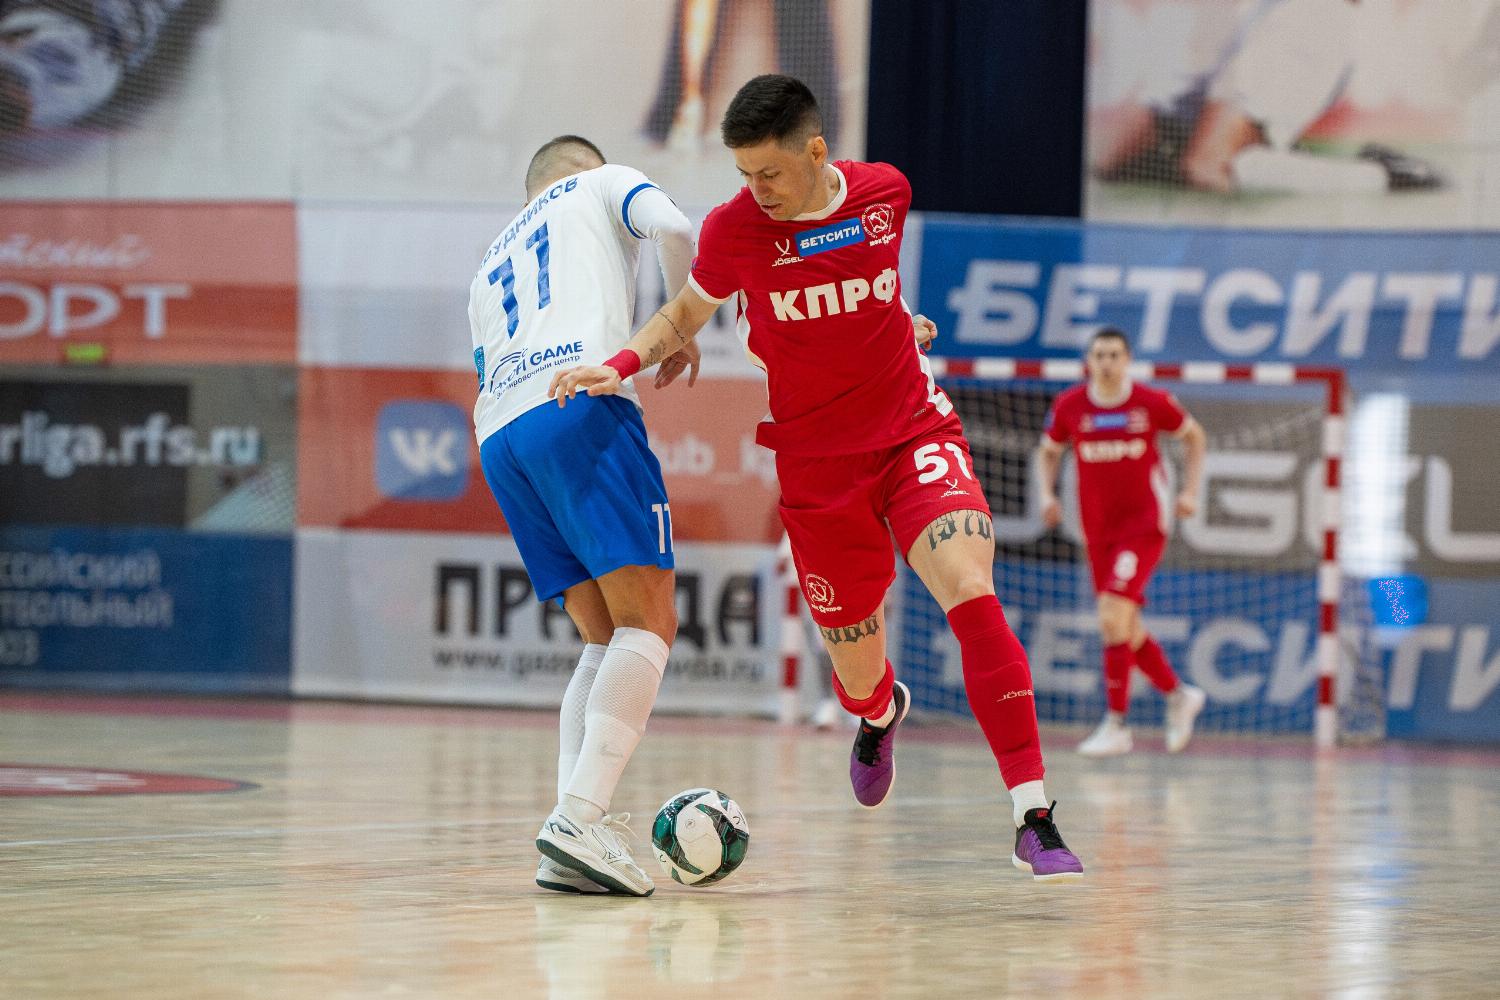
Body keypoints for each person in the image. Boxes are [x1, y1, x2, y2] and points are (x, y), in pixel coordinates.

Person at [553, 74, 1084, 882]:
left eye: (769, 172)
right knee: (857, 679)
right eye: (743, 173)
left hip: (913, 434)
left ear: (815, 151)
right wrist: (620, 364)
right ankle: (881, 713)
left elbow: (872, 283)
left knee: (971, 591)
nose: (755, 189)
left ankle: (1033, 817)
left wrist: (898, 321)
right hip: (817, 467)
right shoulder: (734, 230)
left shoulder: (885, 194)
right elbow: (684, 316)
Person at [468, 134, 697, 897]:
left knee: (602, 633)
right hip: (579, 401)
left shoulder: (488, 262)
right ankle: (578, 818)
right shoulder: (601, 184)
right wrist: (680, 326)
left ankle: (569, 836)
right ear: (584, 170)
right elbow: (677, 226)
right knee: (650, 620)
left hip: (501, 436)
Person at [1037, 328, 1209, 757]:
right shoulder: (1070, 405)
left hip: (1145, 523)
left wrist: (1190, 491)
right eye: (1099, 355)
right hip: (1098, 530)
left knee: (1112, 614)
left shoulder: (1151, 402)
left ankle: (1117, 724)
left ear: (1128, 359)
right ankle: (1178, 695)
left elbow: (1195, 437)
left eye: (1114, 355)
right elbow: (1048, 451)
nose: (1107, 362)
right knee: (1123, 625)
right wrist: (1046, 494)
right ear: (1089, 361)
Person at [1091, 0, 1442, 195]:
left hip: (1308, 15)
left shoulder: (1310, 21)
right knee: (1109, 157)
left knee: (1208, 165)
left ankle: (1380, 177)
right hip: (1243, 12)